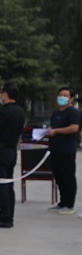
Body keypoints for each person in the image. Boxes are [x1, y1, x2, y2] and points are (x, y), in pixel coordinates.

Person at [0, 82, 26, 228]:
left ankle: (5, 217)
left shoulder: (3, 111)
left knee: (0, 184)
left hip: (0, 151)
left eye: (1, 91)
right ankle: (9, 216)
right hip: (11, 151)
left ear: (6, 94)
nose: (0, 94)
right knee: (8, 184)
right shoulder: (20, 111)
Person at [47, 87, 80, 215]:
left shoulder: (73, 112)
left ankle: (70, 205)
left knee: (68, 177)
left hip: (67, 150)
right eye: (60, 94)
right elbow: (53, 127)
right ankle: (62, 202)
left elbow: (74, 128)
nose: (62, 97)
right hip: (55, 149)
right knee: (59, 177)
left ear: (71, 98)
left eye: (65, 95)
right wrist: (49, 131)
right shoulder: (56, 113)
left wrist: (56, 131)